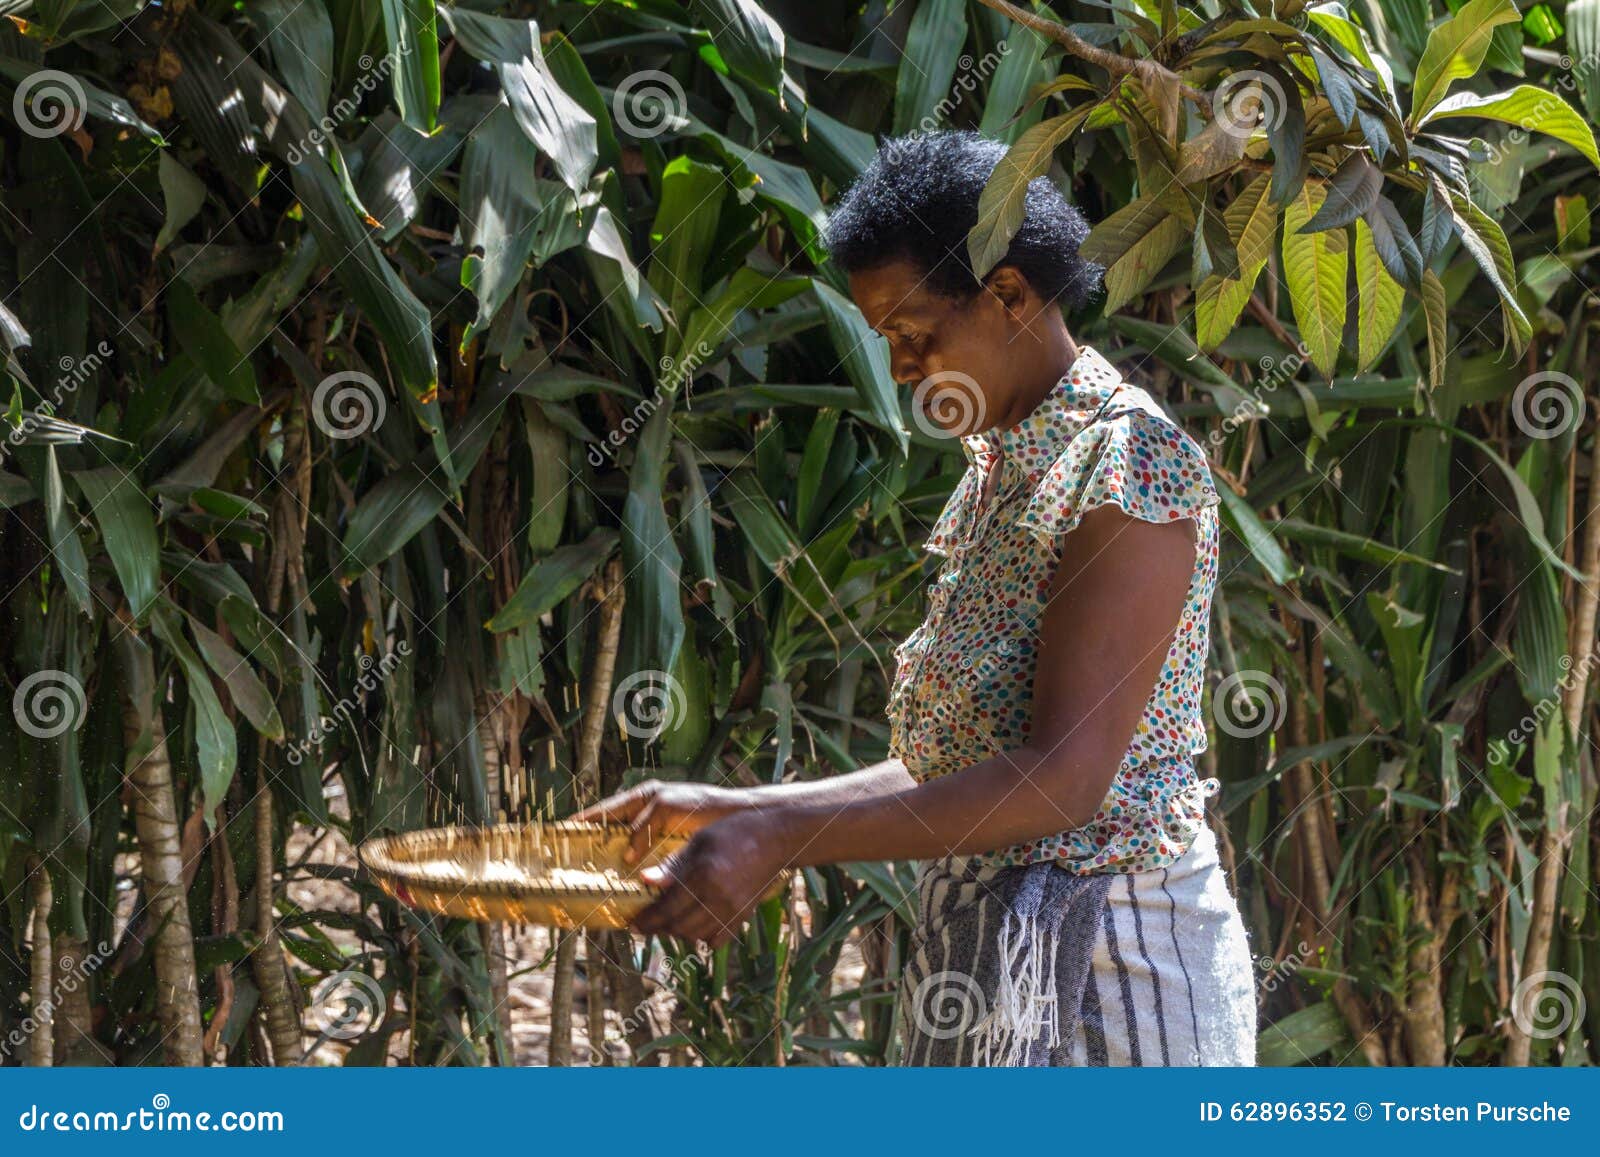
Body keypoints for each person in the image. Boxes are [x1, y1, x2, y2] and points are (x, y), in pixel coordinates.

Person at [576, 130, 1257, 1066]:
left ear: (1008, 295)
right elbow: (956, 768)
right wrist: (730, 807)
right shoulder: (1000, 468)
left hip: (1117, 976)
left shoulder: (1129, 464)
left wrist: (783, 838)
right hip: (993, 964)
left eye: (913, 335)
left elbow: (1060, 780)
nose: (900, 369)